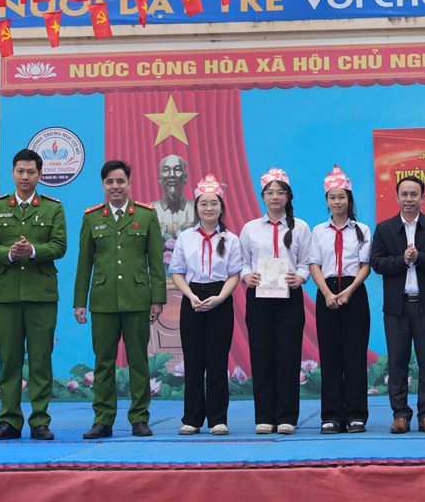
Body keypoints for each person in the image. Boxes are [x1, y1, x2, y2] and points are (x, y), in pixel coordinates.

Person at [74, 160, 166, 439]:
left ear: (129, 183)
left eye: (120, 181)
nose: (115, 186)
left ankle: (140, 418)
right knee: (103, 362)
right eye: (110, 182)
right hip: (103, 301)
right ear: (103, 185)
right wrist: (80, 302)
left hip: (137, 299)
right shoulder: (92, 218)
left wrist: (157, 298)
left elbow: (156, 261)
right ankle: (102, 420)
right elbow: (84, 264)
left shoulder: (146, 215)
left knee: (139, 361)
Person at [0, 148, 67, 441]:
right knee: (9, 360)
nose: (25, 177)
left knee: (41, 359)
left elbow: (59, 246)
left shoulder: (52, 208)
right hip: (6, 294)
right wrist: (9, 252)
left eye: (31, 172)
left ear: (40, 175)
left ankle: (40, 421)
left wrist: (32, 251)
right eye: (20, 171)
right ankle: (9, 421)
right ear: (12, 173)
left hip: (41, 294)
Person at [370, 175, 425, 435]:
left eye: (414, 194)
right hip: (397, 307)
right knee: (397, 362)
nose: (409, 199)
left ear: (422, 198)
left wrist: (420, 257)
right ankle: (400, 415)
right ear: (397, 198)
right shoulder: (384, 229)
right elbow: (377, 263)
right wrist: (403, 260)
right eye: (404, 194)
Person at [239, 167, 313, 435]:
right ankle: (264, 416)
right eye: (269, 193)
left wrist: (300, 278)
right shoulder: (250, 228)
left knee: (288, 355)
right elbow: (242, 262)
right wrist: (247, 276)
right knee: (261, 356)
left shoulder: (300, 227)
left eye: (280, 192)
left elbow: (306, 262)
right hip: (259, 298)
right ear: (263, 197)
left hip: (289, 298)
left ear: (288, 196)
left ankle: (286, 417)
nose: (275, 197)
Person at [168, 173, 242, 436]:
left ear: (221, 207)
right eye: (203, 203)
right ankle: (192, 418)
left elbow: (234, 275)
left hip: (220, 298)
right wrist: (190, 296)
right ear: (196, 207)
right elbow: (177, 272)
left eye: (214, 203)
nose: (209, 208)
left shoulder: (231, 239)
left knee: (217, 360)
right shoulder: (185, 237)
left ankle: (218, 419)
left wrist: (220, 298)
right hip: (193, 299)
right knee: (194, 361)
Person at [308, 165, 372, 434]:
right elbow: (314, 265)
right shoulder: (318, 231)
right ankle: (331, 415)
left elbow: (365, 266)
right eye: (332, 197)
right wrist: (326, 293)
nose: (337, 202)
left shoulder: (362, 229)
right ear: (326, 201)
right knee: (330, 356)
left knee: (355, 356)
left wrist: (349, 290)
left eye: (341, 197)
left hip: (354, 292)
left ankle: (356, 415)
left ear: (349, 200)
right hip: (327, 292)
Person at [155, 154, 195, 239]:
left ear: (185, 177)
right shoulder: (149, 211)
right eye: (166, 170)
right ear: (159, 178)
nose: (172, 175)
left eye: (178, 170)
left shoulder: (197, 210)